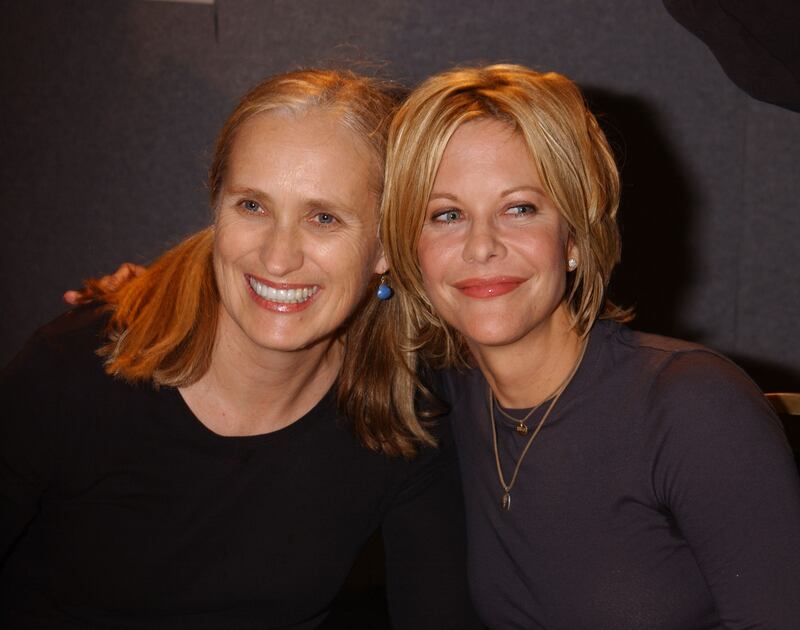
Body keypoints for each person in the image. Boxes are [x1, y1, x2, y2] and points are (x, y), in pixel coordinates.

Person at [0, 69, 479, 629]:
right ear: (216, 209)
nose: (277, 258)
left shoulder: (402, 415)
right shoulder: (78, 367)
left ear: (385, 247)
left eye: (323, 218)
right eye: (252, 206)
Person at [381, 64, 800, 628]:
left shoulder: (692, 406)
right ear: (412, 249)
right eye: (446, 215)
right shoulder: (448, 396)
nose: (481, 246)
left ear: (574, 235)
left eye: (519, 208)